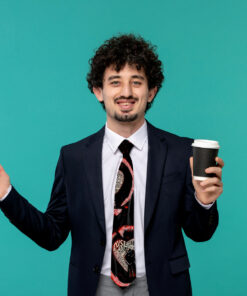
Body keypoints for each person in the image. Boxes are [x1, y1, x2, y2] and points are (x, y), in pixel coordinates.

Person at [0, 34, 224, 296]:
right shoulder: (73, 158)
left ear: (151, 91)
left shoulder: (181, 152)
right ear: (98, 91)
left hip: (162, 286)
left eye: (136, 82)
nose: (126, 92)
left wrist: (204, 202)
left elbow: (200, 233)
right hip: (95, 287)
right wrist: (6, 194)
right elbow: (52, 235)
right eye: (115, 82)